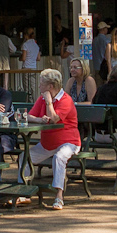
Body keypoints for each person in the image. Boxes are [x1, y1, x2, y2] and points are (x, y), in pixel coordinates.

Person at [19, 68, 80, 210]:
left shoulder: (66, 100)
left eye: (41, 84)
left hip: (69, 142)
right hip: (47, 144)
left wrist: (48, 102)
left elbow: (53, 119)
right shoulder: (42, 98)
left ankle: (59, 196)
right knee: (24, 156)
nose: (39, 86)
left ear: (50, 86)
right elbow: (28, 116)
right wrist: (39, 119)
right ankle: (24, 192)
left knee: (59, 157)